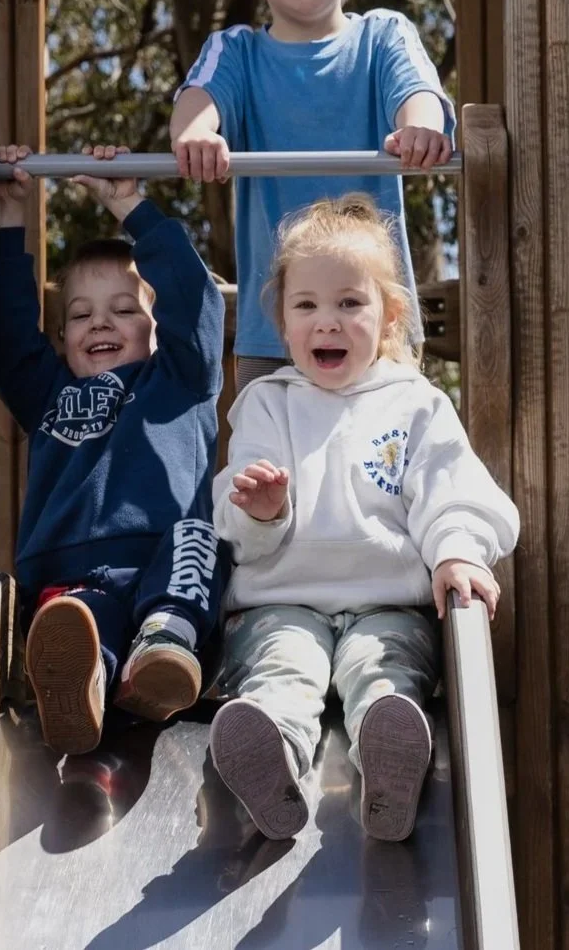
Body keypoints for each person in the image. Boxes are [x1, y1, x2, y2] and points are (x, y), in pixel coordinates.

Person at [209, 195, 518, 842]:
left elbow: (451, 488)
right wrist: (263, 511)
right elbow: (236, 518)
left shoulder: (414, 404)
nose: (328, 321)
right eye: (307, 306)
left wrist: (457, 550)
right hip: (282, 602)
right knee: (281, 670)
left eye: (349, 303)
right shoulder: (267, 404)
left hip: (388, 606)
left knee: (383, 669)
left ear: (388, 317)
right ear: (282, 323)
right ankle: (274, 764)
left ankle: (388, 762)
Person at [171, 0, 455, 391]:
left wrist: (420, 127)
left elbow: (418, 93)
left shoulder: (381, 35)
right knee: (272, 465)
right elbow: (198, 101)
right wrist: (196, 135)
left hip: (376, 326)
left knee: (385, 465)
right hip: (273, 334)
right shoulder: (236, 50)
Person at [0, 143, 229, 755]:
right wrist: (9, 211)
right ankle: (87, 685)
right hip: (72, 575)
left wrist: (132, 207)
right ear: (62, 334)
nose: (100, 324)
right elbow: (12, 336)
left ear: (154, 327)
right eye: (80, 315)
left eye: (124, 310)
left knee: (196, 542)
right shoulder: (50, 395)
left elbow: (198, 305)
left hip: (162, 559)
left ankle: (164, 652)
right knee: (81, 628)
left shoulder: (178, 379)